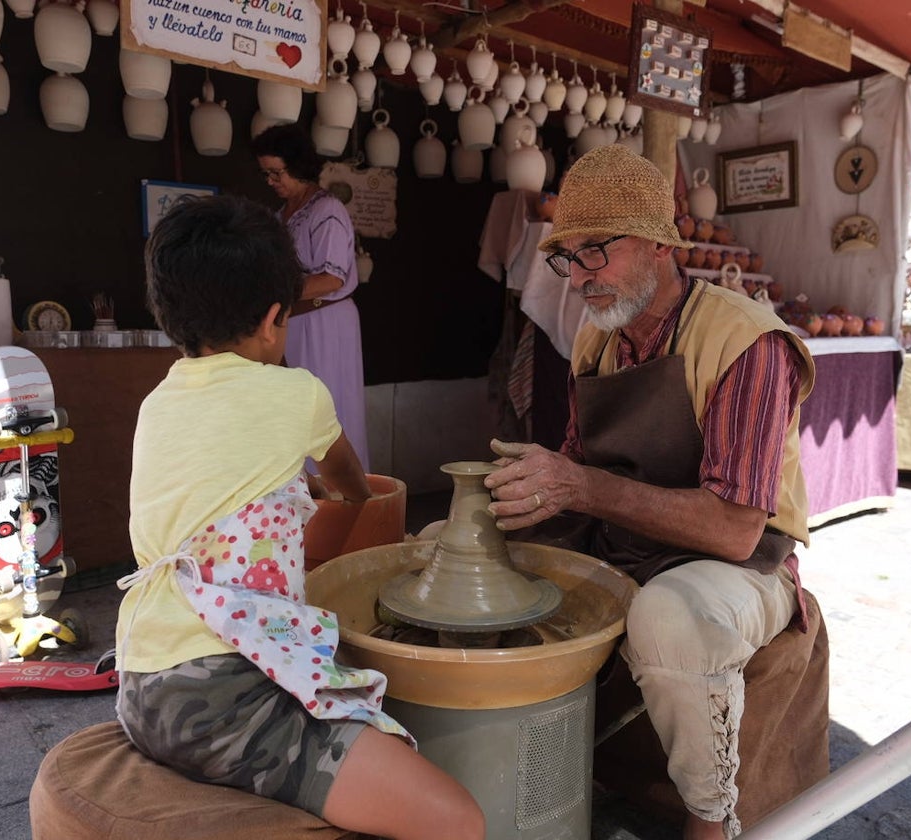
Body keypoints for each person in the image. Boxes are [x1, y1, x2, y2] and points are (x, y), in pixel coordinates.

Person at [113, 194, 484, 840]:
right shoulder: (297, 393)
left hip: (139, 681)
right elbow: (352, 484)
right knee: (459, 822)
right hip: (220, 698)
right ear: (274, 320)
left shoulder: (154, 405)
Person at [482, 146, 817, 840]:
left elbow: (734, 530)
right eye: (565, 258)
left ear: (659, 244)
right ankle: (519, 779)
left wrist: (579, 485)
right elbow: (579, 469)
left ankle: (709, 819)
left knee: (668, 616)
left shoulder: (746, 342)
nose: (576, 278)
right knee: (473, 560)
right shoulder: (597, 343)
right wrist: (526, 496)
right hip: (630, 545)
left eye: (594, 252)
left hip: (744, 569)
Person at [250, 123, 371, 472]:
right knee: (297, 408)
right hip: (295, 321)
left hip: (326, 320)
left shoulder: (326, 210)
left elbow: (332, 277)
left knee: (328, 405)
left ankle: (343, 494)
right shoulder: (281, 216)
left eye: (276, 173)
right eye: (266, 175)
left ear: (298, 166)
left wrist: (273, 292)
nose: (271, 182)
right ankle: (305, 497)